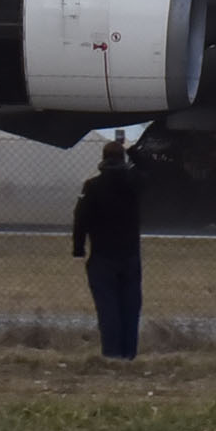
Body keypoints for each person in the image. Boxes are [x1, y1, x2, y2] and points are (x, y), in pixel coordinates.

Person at [71, 136, 147, 359]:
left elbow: (81, 218)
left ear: (103, 160)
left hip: (102, 256)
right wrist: (133, 151)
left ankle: (111, 354)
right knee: (130, 308)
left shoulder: (92, 186)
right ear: (122, 159)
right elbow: (147, 174)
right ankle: (129, 354)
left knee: (108, 309)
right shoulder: (134, 184)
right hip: (130, 255)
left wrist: (78, 248)